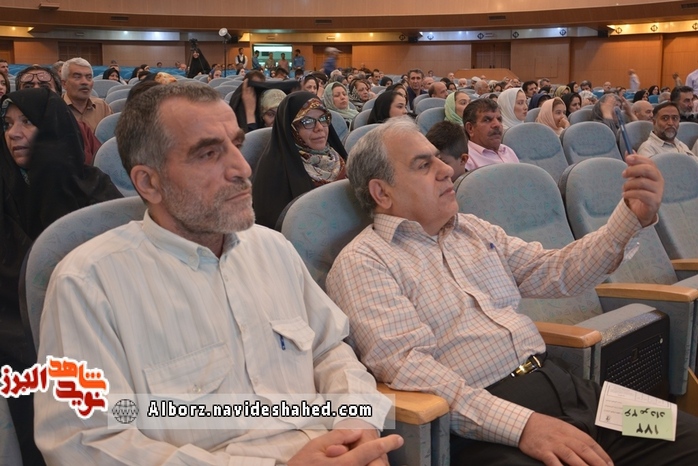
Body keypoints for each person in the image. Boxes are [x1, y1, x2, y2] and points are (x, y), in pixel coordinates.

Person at [33, 81, 401, 465]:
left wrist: (357, 429)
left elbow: (329, 351)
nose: (242, 168)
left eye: (237, 145)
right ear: (149, 182)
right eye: (208, 154)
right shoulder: (88, 284)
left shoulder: (272, 248)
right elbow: (86, 443)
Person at [325, 115, 698, 466]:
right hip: (488, 428)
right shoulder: (365, 262)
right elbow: (411, 371)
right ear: (382, 192)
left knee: (684, 434)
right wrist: (523, 426)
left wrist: (632, 216)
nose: (446, 169)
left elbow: (559, 271)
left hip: (571, 391)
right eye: (424, 165)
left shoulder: (473, 229)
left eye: (439, 158)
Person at [1, 87, 122, 466]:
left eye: (27, 122)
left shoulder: (94, 186)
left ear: (53, 127)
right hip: (15, 323)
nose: (14, 133)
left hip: (98, 317)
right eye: (7, 124)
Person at [253, 91, 349, 229]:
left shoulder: (337, 158)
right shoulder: (273, 173)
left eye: (323, 119)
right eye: (307, 121)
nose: (319, 128)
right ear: (291, 128)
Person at [463, 98, 519, 170]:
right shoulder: (466, 160)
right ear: (470, 128)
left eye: (499, 119)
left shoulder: (507, 150)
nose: (497, 124)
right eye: (487, 120)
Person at [61, 57, 113, 132]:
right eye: (77, 77)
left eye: (89, 77)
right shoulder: (55, 109)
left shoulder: (102, 106)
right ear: (64, 83)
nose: (85, 82)